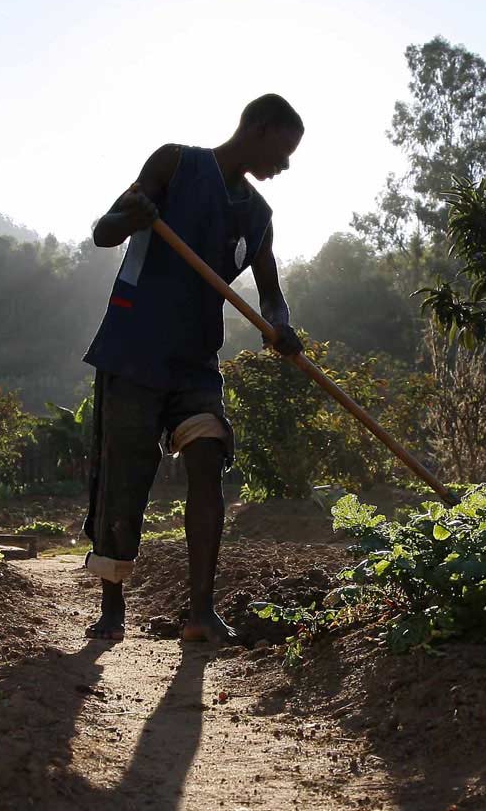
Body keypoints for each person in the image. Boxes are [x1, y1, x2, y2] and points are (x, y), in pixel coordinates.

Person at [79, 94, 305, 643]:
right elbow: (104, 231)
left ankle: (201, 612)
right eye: (284, 149)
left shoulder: (258, 216)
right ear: (258, 127)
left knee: (209, 460)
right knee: (124, 477)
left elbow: (272, 295)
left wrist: (281, 326)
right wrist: (135, 214)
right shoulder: (174, 163)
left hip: (196, 364)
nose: (286, 165)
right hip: (133, 350)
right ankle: (113, 605)